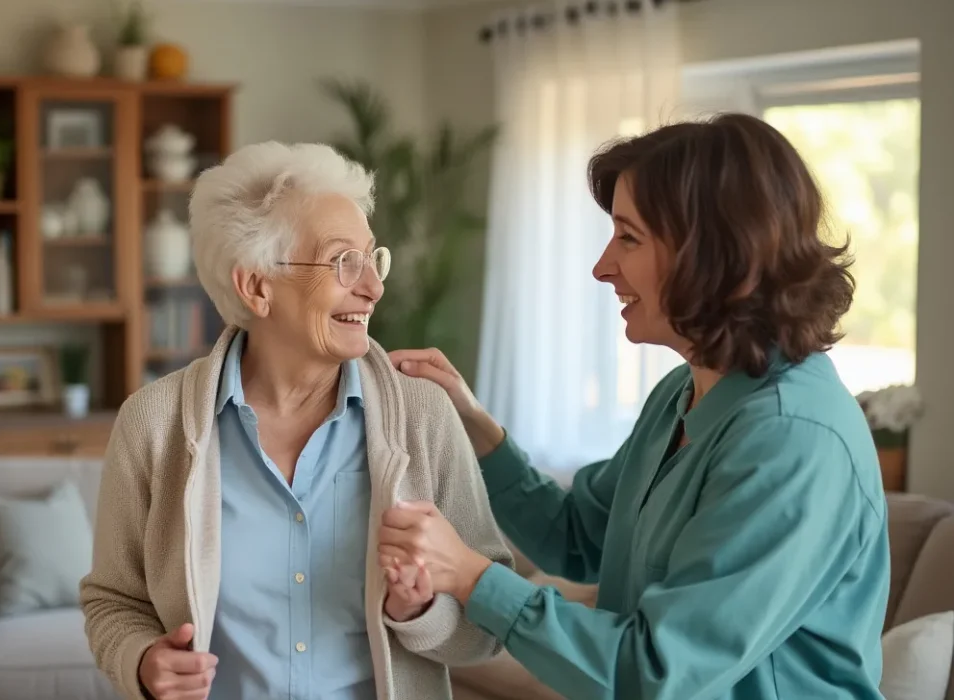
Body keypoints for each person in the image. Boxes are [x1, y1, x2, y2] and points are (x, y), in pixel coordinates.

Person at [378, 112, 890, 700]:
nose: (602, 267)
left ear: (717, 253)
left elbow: (658, 671)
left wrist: (470, 577)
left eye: (629, 237)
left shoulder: (793, 441)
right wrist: (474, 426)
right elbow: (576, 536)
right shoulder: (684, 392)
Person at [79, 140, 514, 700]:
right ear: (257, 285)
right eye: (343, 262)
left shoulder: (423, 416)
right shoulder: (152, 425)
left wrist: (422, 610)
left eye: (372, 258)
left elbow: (492, 625)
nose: (374, 288)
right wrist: (142, 662)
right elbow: (113, 602)